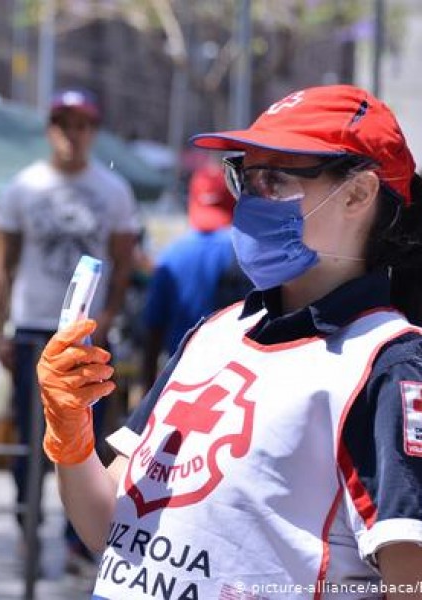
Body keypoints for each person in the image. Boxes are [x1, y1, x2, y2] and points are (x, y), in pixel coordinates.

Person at [36, 84, 422, 599]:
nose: (253, 200)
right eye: (247, 176)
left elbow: (410, 581)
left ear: (357, 193)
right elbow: (110, 532)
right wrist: (71, 437)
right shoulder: (214, 334)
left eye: (277, 179)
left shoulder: (384, 363)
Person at [0, 87, 139, 574]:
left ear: (93, 132)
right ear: (51, 129)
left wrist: (110, 317)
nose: (72, 134)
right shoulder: (24, 186)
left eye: (82, 125)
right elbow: (1, 261)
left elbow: (123, 262)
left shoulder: (113, 191)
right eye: (63, 123)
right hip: (35, 330)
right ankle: (26, 531)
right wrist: (5, 325)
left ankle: (80, 542)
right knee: (32, 441)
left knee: (89, 441)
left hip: (88, 334)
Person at [140, 159, 249, 389]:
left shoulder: (170, 255)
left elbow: (153, 331)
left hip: (181, 378)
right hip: (238, 377)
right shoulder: (248, 252)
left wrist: (148, 396)